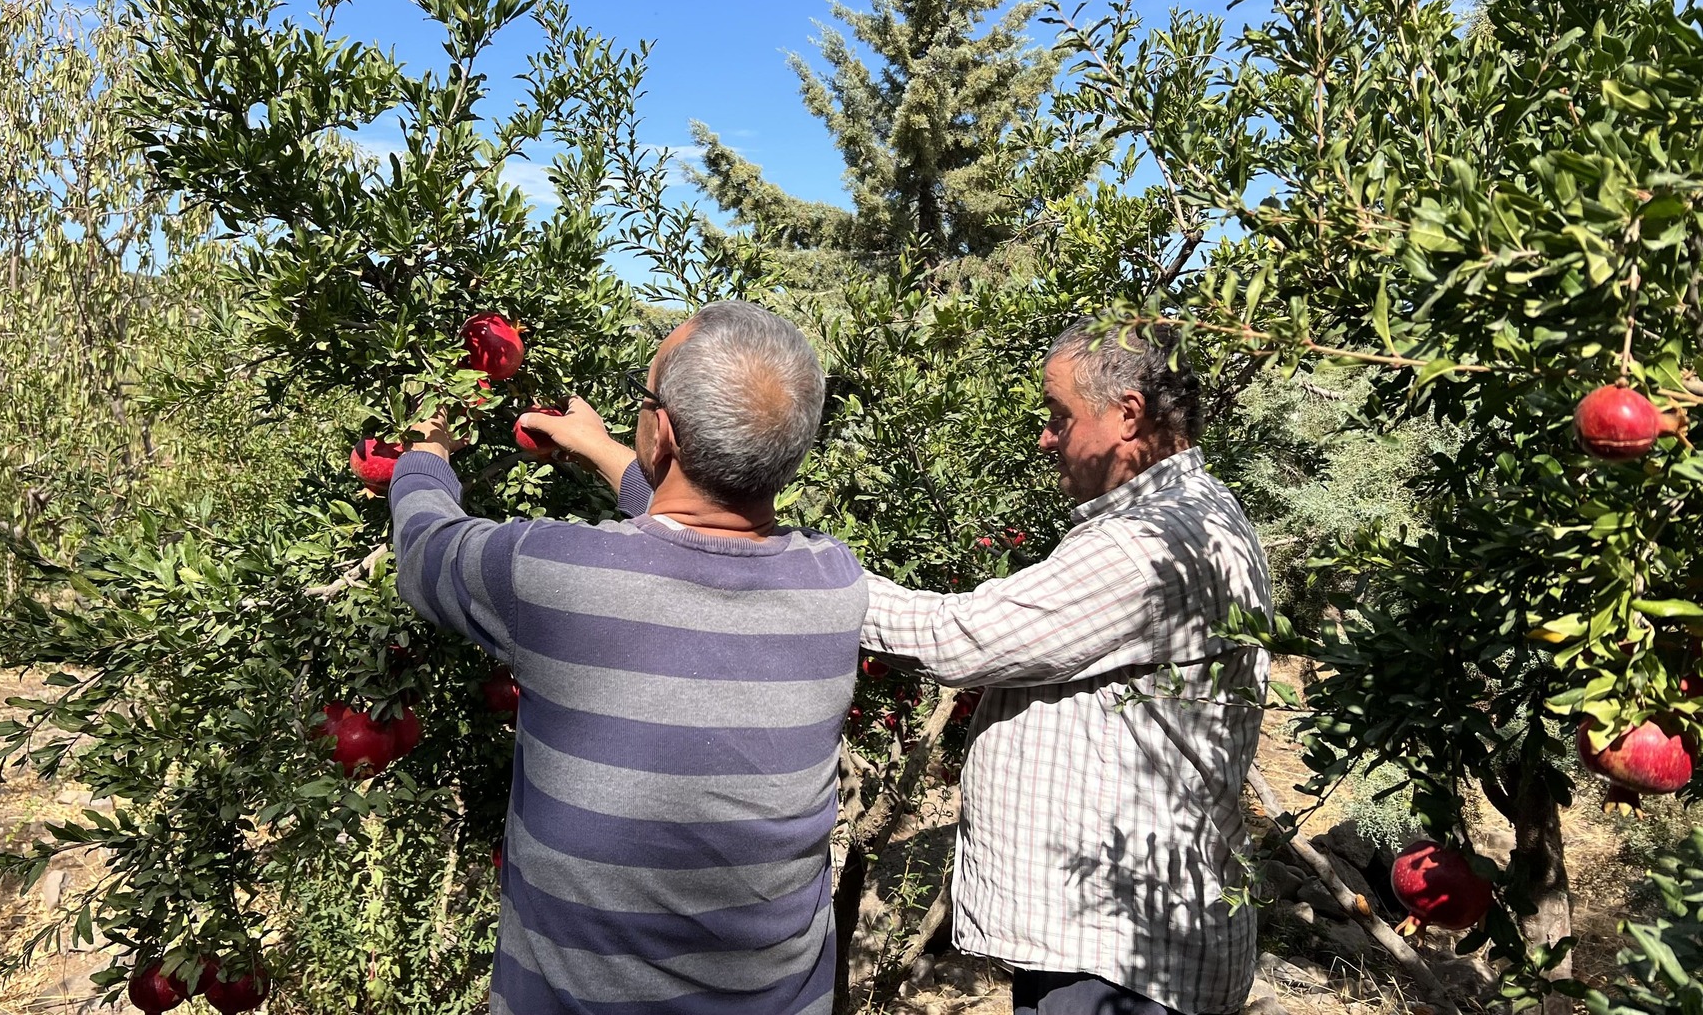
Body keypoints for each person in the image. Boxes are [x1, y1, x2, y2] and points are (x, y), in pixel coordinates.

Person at [388, 300, 865, 1015]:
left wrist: (426, 453)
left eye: (645, 400)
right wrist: (606, 448)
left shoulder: (551, 572)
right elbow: (700, 516)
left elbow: (425, 549)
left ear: (665, 431)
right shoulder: (834, 581)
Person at [858, 320, 1274, 1015]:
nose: (1046, 437)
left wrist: (808, 572)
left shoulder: (1149, 546)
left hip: (1118, 957)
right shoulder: (1197, 512)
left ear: (1127, 416)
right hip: (1120, 937)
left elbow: (957, 638)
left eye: (1059, 416)